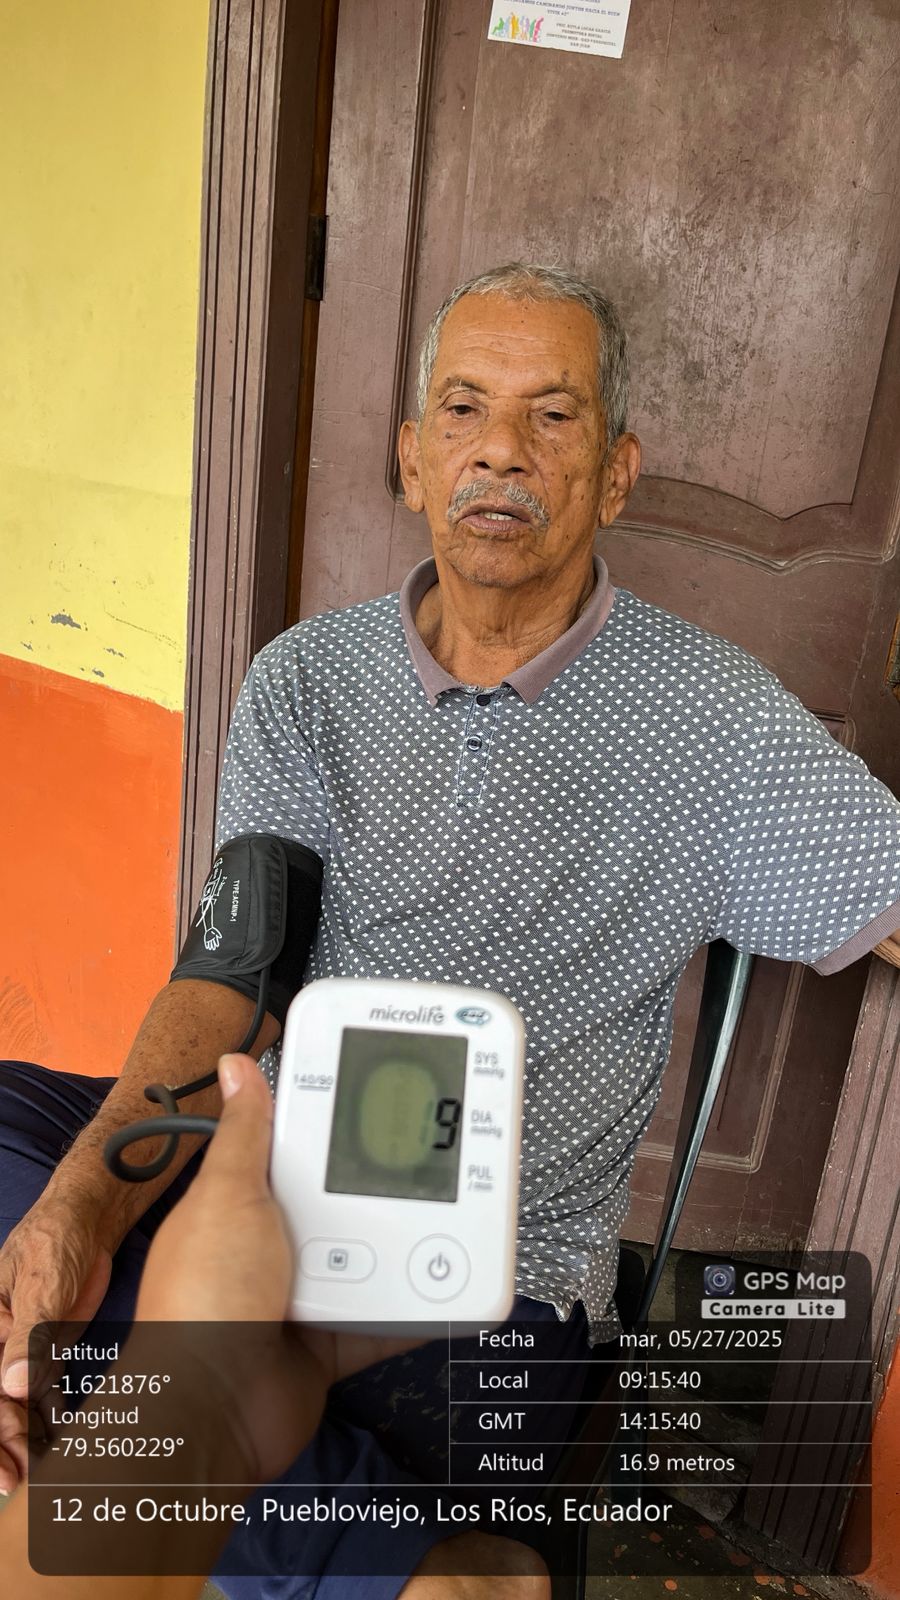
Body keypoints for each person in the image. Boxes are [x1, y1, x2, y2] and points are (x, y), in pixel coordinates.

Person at [2, 262, 900, 1599]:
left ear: (616, 474)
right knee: (34, 1169)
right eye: (467, 408)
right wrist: (84, 1203)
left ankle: (288, 1508)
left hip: (499, 1253)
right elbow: (233, 968)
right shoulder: (307, 678)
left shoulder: (718, 722)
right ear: (414, 455)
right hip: (274, 1165)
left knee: (88, 1368)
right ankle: (407, 1563)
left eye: (554, 414)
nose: (501, 450)